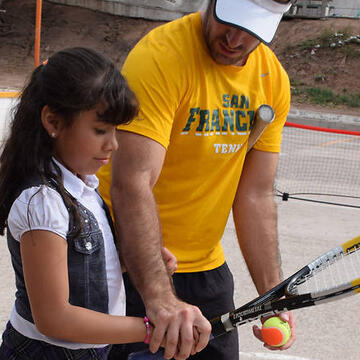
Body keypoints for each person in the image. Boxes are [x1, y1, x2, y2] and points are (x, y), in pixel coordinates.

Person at [97, 0, 297, 359]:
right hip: (131, 266)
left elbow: (254, 194)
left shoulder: (273, 80)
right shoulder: (161, 56)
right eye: (229, 22)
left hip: (206, 273)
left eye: (251, 30)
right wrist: (159, 298)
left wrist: (272, 293)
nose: (234, 39)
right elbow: (132, 183)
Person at [0, 47, 198, 359]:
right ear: (53, 121)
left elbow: (78, 268)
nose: (113, 143)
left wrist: (130, 263)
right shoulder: (42, 202)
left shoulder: (82, 187)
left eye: (116, 130)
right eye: (100, 130)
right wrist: (151, 327)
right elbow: (54, 318)